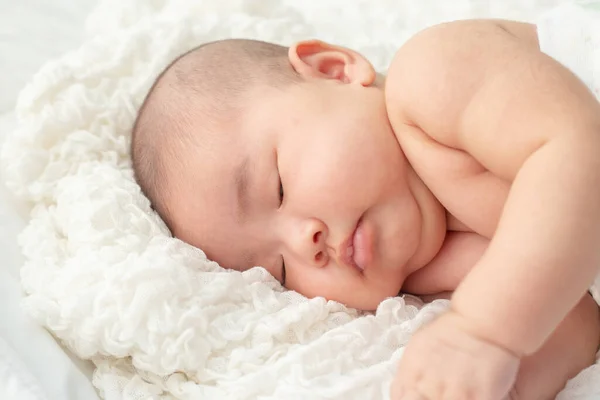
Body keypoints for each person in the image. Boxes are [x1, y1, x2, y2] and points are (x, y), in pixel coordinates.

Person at [131, 9, 600, 400]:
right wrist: (501, 382)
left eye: (277, 188)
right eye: (280, 272)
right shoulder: (426, 268)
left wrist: (483, 332)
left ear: (335, 70)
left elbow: (577, 153)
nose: (303, 243)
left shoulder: (434, 77)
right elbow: (572, 310)